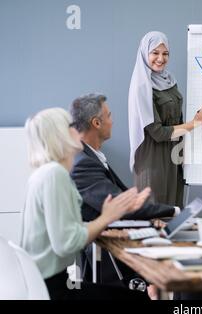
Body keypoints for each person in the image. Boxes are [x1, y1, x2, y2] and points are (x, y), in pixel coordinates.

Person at [20, 107, 151, 300]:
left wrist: (105, 220)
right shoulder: (55, 174)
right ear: (60, 135)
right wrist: (107, 217)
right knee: (137, 297)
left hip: (46, 284)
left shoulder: (45, 173)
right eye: (72, 126)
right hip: (55, 290)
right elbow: (67, 243)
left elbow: (66, 230)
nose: (79, 130)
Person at [69, 93, 177, 293]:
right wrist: (173, 211)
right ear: (96, 123)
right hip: (104, 256)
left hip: (112, 241)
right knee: (171, 266)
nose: (113, 121)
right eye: (109, 116)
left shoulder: (90, 155)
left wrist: (151, 221)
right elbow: (120, 206)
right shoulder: (83, 162)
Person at [128, 31, 202, 208]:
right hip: (153, 161)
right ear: (145, 53)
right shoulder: (142, 86)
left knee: (174, 213)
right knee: (155, 216)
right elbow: (158, 133)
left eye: (165, 53)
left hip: (174, 157)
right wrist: (195, 123)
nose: (160, 58)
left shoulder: (169, 80)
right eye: (155, 53)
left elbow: (176, 118)